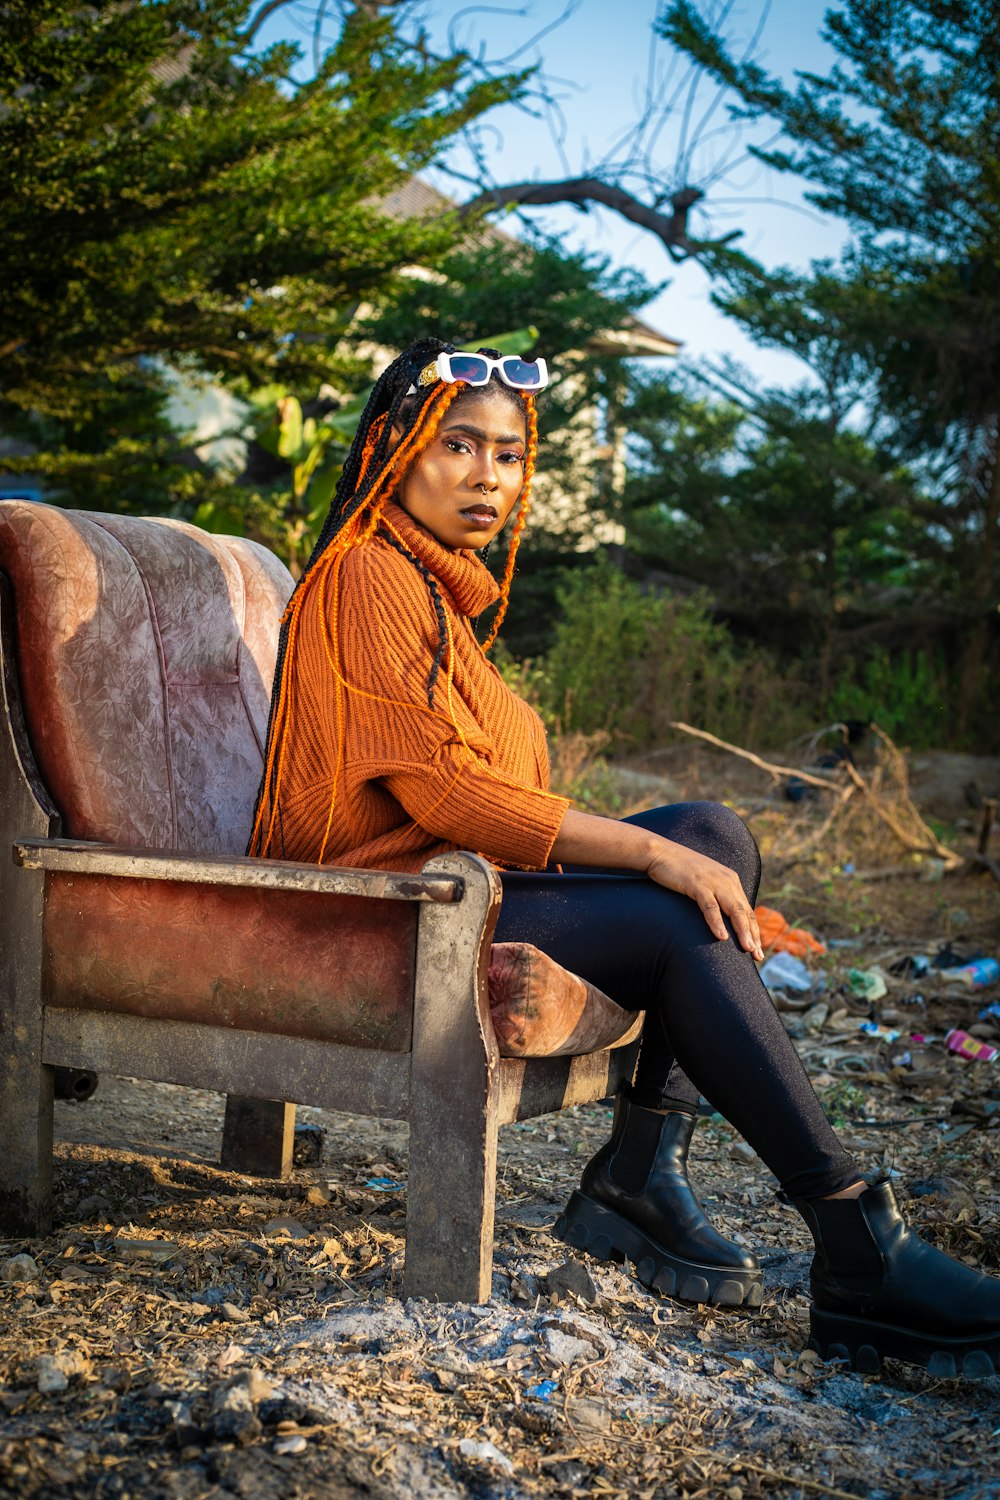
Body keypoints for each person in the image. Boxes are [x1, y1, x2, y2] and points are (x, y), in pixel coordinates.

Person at [249, 337, 1000, 1379]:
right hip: (374, 912)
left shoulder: (441, 599)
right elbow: (445, 795)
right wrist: (647, 861)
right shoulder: (369, 576)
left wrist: (669, 851)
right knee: (672, 901)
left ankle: (641, 1176)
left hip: (454, 891)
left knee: (716, 839)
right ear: (391, 445)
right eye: (458, 444)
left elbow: (501, 799)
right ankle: (854, 1243)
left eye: (508, 455)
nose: (488, 477)